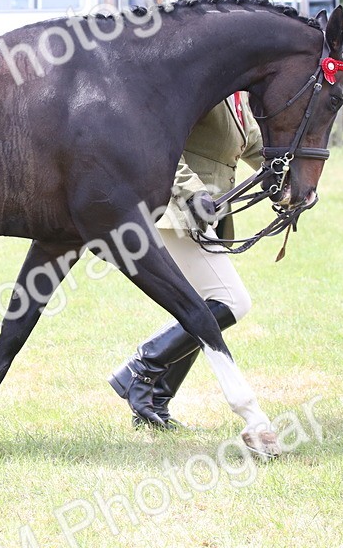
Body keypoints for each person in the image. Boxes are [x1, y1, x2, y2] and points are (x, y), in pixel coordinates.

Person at [107, 91, 264, 429]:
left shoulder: (238, 97)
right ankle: (141, 367)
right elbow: (162, 143)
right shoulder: (206, 88)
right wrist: (194, 191)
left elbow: (254, 147)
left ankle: (155, 402)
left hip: (209, 215)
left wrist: (291, 169)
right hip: (177, 211)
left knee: (201, 307)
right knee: (231, 302)